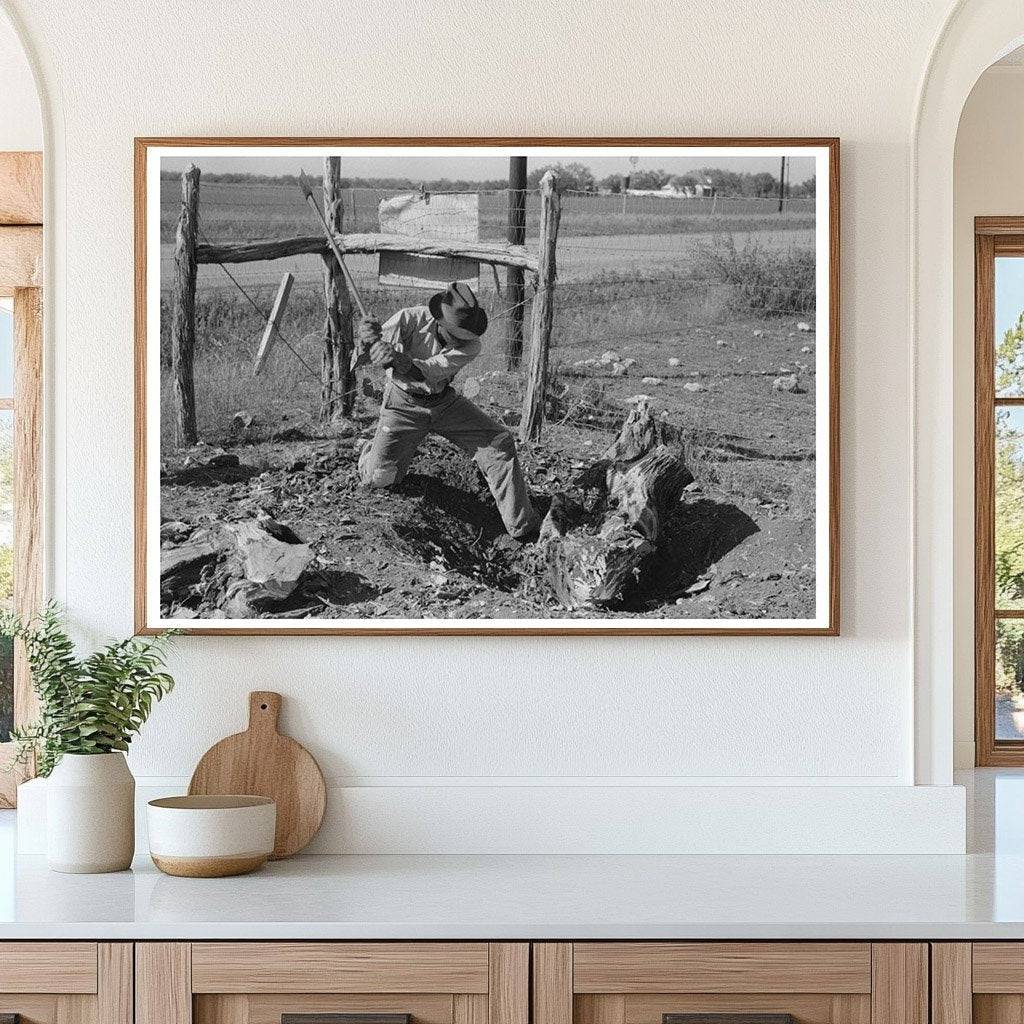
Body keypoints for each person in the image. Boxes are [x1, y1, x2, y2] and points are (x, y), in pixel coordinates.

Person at [356, 282, 540, 541]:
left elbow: (428, 372)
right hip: (403, 406)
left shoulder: (472, 346)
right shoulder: (409, 319)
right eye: (455, 332)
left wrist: (397, 359)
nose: (461, 339)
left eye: (465, 334)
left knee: (500, 443)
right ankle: (369, 452)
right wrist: (367, 342)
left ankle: (523, 528)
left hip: (444, 403)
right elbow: (362, 359)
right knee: (380, 479)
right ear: (438, 320)